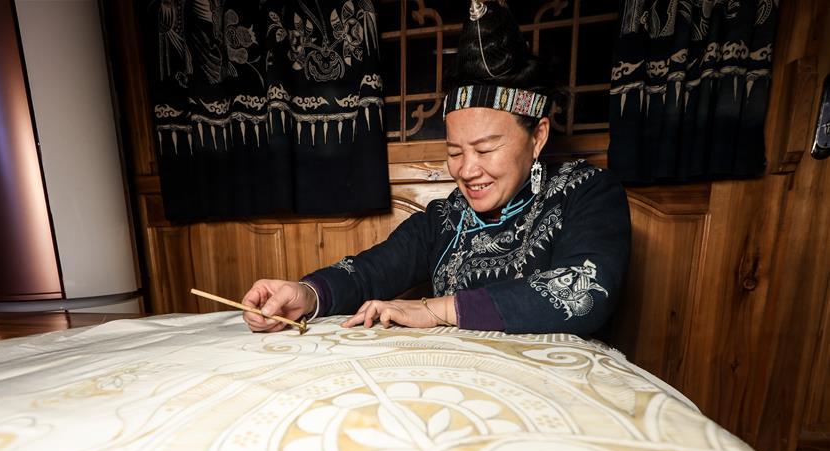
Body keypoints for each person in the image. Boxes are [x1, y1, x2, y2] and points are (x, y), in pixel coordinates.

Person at [243, 0, 630, 336]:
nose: (468, 169)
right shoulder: (445, 218)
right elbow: (369, 271)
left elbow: (583, 292)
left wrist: (435, 310)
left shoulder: (587, 192)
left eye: (485, 149)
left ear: (538, 136)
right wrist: (307, 294)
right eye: (455, 151)